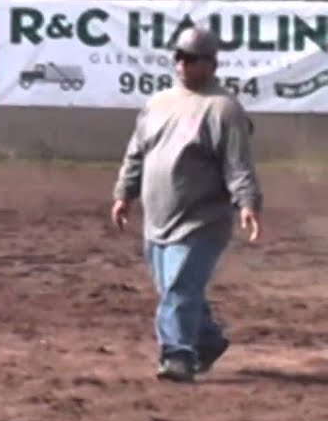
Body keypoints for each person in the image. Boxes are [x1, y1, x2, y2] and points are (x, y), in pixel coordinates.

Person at [110, 26, 262, 383]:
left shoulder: (223, 109)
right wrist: (124, 193)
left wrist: (247, 202)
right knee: (176, 289)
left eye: (190, 58)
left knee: (179, 288)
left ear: (210, 63)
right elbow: (137, 152)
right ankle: (207, 341)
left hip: (202, 219)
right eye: (178, 56)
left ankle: (176, 355)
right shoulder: (158, 103)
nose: (181, 63)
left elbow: (237, 162)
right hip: (158, 216)